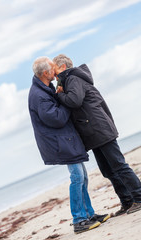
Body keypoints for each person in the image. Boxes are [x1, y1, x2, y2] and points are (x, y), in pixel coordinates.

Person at [28, 57, 109, 234]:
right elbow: (56, 118)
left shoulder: (45, 88)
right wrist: (63, 98)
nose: (55, 71)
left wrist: (58, 95)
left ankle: (89, 214)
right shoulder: (39, 95)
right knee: (77, 177)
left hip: (66, 139)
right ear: (45, 73)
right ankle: (79, 220)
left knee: (82, 176)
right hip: (60, 142)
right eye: (52, 68)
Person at [53, 54, 141, 216]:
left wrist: (59, 93)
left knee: (119, 166)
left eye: (55, 69)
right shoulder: (70, 79)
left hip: (99, 129)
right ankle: (127, 201)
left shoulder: (73, 78)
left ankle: (139, 197)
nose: (53, 74)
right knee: (108, 170)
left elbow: (74, 101)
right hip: (94, 132)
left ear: (63, 67)